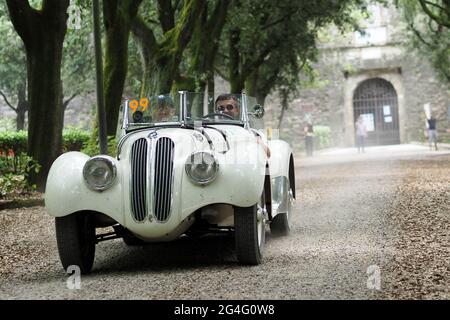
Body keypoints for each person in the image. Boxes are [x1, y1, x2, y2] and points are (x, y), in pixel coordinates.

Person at [215, 94, 270, 158]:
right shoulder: (209, 130)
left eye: (229, 107)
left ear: (237, 110)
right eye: (220, 108)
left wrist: (256, 141)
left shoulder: (251, 133)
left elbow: (268, 154)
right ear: (216, 111)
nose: (225, 111)